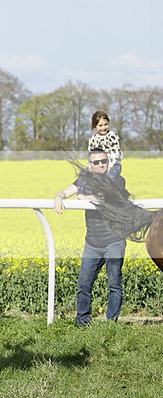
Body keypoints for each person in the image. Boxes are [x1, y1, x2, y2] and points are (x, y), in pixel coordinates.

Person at [54, 148, 128, 327]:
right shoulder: (83, 180)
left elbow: (107, 198)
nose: (101, 164)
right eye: (96, 162)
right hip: (92, 243)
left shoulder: (117, 179)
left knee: (114, 285)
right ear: (90, 165)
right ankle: (82, 323)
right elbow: (65, 192)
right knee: (84, 284)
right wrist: (59, 196)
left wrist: (84, 197)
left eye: (104, 161)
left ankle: (111, 324)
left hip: (114, 241)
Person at [88, 110, 124, 181]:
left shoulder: (112, 136)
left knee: (109, 177)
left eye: (106, 124)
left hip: (114, 165)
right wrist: (90, 168)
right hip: (99, 165)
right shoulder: (93, 140)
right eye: (100, 125)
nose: (103, 127)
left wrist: (108, 168)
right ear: (95, 126)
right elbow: (91, 155)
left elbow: (115, 154)